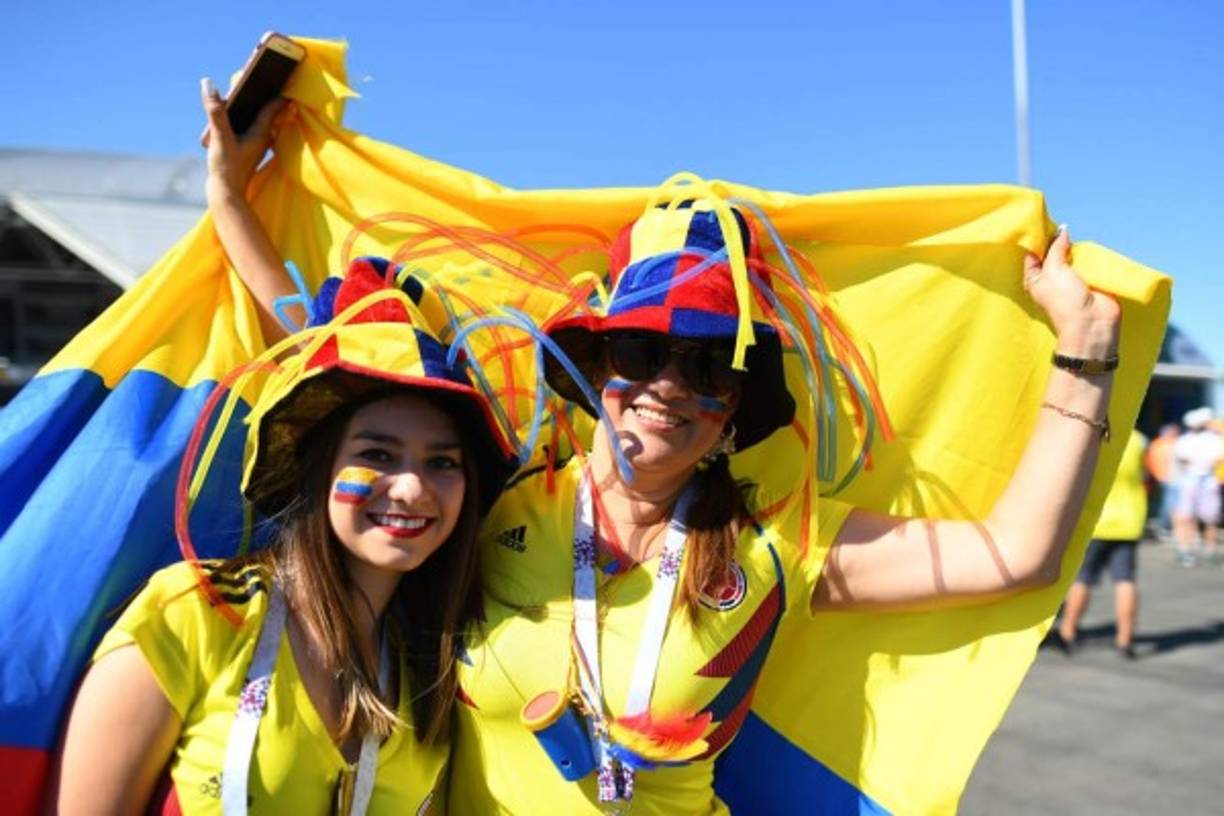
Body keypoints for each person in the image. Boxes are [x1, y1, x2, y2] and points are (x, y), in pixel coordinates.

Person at [209, 91, 1120, 813]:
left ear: (733, 415)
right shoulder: (492, 498)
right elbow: (338, 346)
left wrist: (1084, 355)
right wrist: (227, 195)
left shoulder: (776, 543)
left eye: (709, 370)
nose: (669, 387)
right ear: (599, 365)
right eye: (642, 353)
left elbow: (1018, 553)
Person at [48, 258, 518, 813]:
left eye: (442, 462)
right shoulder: (197, 615)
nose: (413, 488)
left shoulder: (435, 671)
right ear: (317, 470)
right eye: (376, 455)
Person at [1058, 429, 1147, 658]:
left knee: (1083, 578)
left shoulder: (1092, 435)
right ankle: (1124, 639)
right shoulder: (1137, 439)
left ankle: (1067, 632)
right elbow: (1147, 475)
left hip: (1097, 521)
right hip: (1129, 519)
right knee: (1125, 579)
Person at [1172, 407, 1223, 566]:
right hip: (1195, 479)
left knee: (1206, 517)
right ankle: (1191, 549)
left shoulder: (1207, 439)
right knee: (1191, 516)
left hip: (1203, 479)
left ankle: (1198, 550)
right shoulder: (1190, 440)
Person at [1145, 422, 1180, 539]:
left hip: (1167, 478)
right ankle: (1165, 526)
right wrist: (1159, 476)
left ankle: (1166, 525)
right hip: (1165, 478)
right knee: (1168, 504)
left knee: (1167, 503)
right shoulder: (1160, 445)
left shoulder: (1165, 444)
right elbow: (1154, 462)